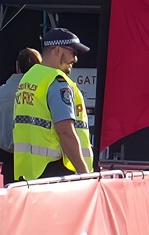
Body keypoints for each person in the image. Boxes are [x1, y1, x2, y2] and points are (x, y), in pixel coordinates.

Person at [13, 28, 93, 181]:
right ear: (57, 50)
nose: (75, 59)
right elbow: (65, 132)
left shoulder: (28, 79)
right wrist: (84, 173)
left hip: (29, 171)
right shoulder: (57, 83)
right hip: (56, 170)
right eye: (73, 52)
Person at [0, 48, 42, 184]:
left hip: (9, 160)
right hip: (37, 162)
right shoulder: (43, 92)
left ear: (17, 66)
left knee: (11, 203)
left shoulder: (1, 92)